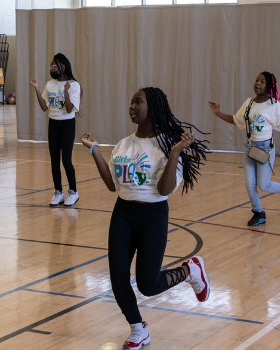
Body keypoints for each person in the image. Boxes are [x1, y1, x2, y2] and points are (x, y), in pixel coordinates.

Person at [79, 87, 211, 350]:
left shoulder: (167, 147)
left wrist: (175, 154)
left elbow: (164, 190)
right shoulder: (123, 144)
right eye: (131, 101)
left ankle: (190, 270)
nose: (131, 106)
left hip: (153, 217)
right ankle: (138, 329)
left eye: (138, 102)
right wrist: (94, 150)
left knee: (148, 285)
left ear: (153, 108)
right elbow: (111, 185)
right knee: (117, 278)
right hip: (123, 214)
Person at [207, 71, 280, 226]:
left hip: (265, 148)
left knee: (263, 185)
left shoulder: (274, 104)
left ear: (269, 85)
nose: (257, 83)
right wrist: (218, 113)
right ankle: (258, 212)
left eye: (262, 81)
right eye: (256, 80)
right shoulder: (248, 103)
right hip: (250, 148)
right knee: (249, 183)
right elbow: (236, 120)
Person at [28, 53, 81, 206]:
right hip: (53, 124)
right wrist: (37, 89)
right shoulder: (49, 84)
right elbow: (45, 107)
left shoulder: (74, 85)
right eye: (50, 66)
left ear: (63, 66)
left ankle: (73, 192)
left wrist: (65, 91)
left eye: (54, 65)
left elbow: (70, 110)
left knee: (66, 160)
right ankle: (58, 192)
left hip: (67, 125)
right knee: (54, 160)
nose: (51, 68)